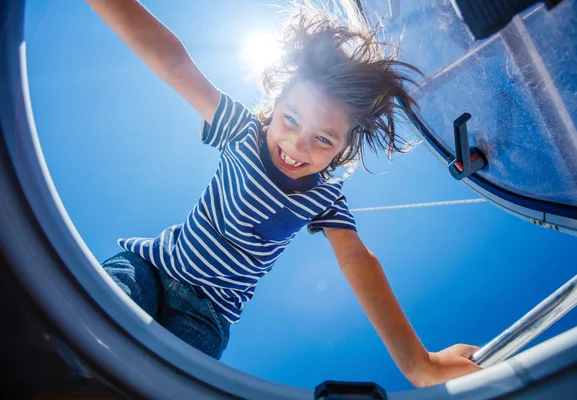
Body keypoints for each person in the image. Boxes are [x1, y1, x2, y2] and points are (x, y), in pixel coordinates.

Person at [86, 0, 482, 388]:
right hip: (150, 269)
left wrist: (419, 364)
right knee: (89, 332)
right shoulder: (240, 130)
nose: (296, 145)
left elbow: (358, 261)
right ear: (274, 107)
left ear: (343, 147)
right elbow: (174, 63)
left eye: (323, 138)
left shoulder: (325, 198)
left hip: (205, 317)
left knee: (156, 386)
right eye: (291, 119)